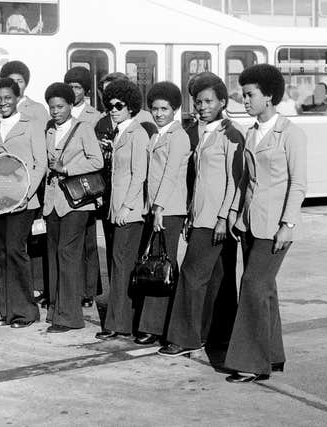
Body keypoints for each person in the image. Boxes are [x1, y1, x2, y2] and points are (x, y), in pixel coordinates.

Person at [224, 64, 307, 383]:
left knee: (253, 285)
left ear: (269, 96)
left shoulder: (291, 134)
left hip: (276, 226)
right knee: (265, 289)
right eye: (243, 94)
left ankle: (250, 362)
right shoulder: (251, 132)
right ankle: (273, 355)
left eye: (250, 94)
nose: (244, 100)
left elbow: (298, 183)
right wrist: (234, 213)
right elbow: (245, 179)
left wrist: (288, 224)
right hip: (249, 224)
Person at [158, 73, 243, 356]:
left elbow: (235, 180)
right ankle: (218, 335)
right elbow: (199, 180)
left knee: (192, 276)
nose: (203, 106)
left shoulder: (231, 133)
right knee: (218, 280)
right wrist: (190, 218)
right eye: (198, 102)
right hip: (201, 217)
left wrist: (223, 217)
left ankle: (184, 338)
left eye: (209, 101)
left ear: (222, 101)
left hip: (215, 220)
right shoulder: (203, 131)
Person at [42, 83, 103, 333]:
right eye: (52, 107)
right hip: (53, 202)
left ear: (70, 106)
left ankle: (69, 317)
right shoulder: (48, 130)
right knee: (55, 254)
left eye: (60, 106)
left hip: (77, 203)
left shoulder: (83, 128)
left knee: (68, 255)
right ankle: (56, 309)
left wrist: (67, 169)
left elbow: (96, 161)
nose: (55, 111)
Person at [0, 77, 46, 328]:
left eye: (7, 98)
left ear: (17, 98)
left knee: (15, 251)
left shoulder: (30, 124)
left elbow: (40, 163)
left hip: (23, 202)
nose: (3, 103)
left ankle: (26, 312)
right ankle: (7, 311)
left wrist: (27, 194)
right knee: (1, 253)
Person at [135, 81, 190, 346]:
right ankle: (154, 325)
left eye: (164, 109)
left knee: (164, 266)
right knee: (157, 265)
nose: (158, 114)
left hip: (169, 209)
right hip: (156, 208)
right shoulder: (158, 135)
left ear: (175, 110)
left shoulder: (178, 137)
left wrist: (159, 209)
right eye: (155, 109)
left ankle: (162, 327)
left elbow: (170, 175)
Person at [94, 79, 149, 340]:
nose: (113, 109)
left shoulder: (137, 133)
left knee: (122, 265)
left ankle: (118, 324)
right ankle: (121, 322)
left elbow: (139, 174)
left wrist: (126, 206)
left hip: (130, 211)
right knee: (119, 265)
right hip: (116, 209)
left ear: (131, 107)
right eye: (109, 105)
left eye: (119, 105)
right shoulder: (120, 133)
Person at [64, 66, 101, 309]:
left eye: (77, 87)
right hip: (65, 186)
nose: (73, 91)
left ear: (85, 91)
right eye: (70, 86)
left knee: (88, 239)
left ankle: (89, 290)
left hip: (85, 184)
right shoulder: (58, 112)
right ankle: (73, 287)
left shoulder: (94, 116)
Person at [0, 60, 49, 130]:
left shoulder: (38, 109)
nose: (16, 85)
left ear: (26, 84)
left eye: (20, 81)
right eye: (12, 81)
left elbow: (44, 137)